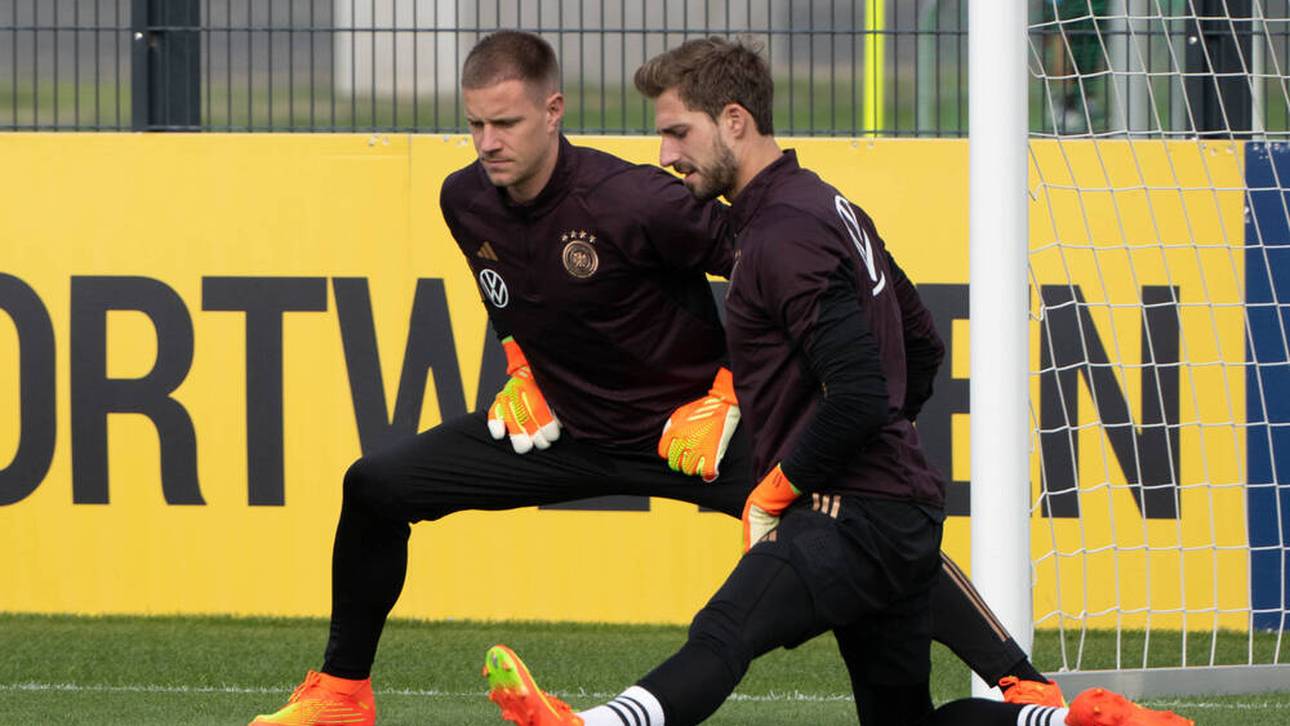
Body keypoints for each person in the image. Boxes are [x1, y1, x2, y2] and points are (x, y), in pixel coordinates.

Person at [251, 31, 1056, 726]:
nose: (488, 142)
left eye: (506, 122)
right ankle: (342, 693)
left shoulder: (639, 199)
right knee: (376, 485)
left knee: (860, 509)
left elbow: (763, 273)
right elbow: (510, 297)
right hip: (565, 430)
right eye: (475, 125)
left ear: (553, 111)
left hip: (691, 434)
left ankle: (1021, 682)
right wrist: (521, 366)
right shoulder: (464, 200)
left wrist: (729, 393)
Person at [481, 37, 1193, 726]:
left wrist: (780, 486)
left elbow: (855, 390)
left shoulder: (781, 234)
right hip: (891, 506)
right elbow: (919, 344)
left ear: (735, 119)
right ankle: (1072, 725)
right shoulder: (827, 204)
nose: (665, 156)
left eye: (677, 133)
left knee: (725, 630)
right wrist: (881, 443)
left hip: (841, 513)